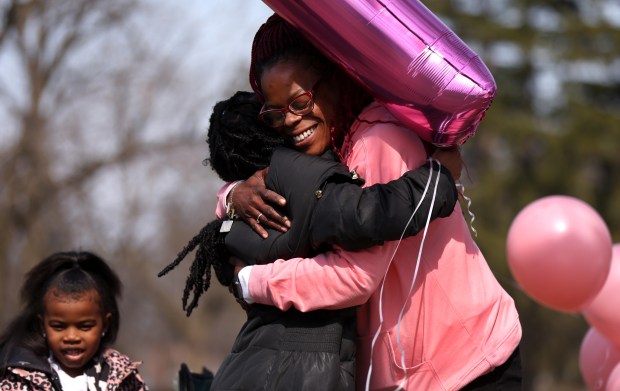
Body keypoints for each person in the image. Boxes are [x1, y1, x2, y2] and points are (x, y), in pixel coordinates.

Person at [223, 14, 522, 391]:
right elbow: (269, 178)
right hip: (412, 374)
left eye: (300, 101)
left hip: (468, 366)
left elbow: (354, 277)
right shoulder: (329, 149)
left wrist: (252, 281)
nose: (290, 122)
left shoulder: (378, 141)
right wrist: (232, 195)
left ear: (337, 78)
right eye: (276, 112)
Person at [160, 90, 459, 390]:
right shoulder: (297, 178)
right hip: (304, 368)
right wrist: (440, 179)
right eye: (276, 115)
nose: (289, 120)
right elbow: (366, 215)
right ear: (271, 133)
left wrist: (229, 195)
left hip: (248, 363)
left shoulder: (239, 214)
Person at [0, 251, 148, 391]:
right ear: (42, 326)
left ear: (105, 324)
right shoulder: (18, 378)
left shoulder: (123, 375)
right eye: (58, 327)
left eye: (85, 327)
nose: (71, 337)